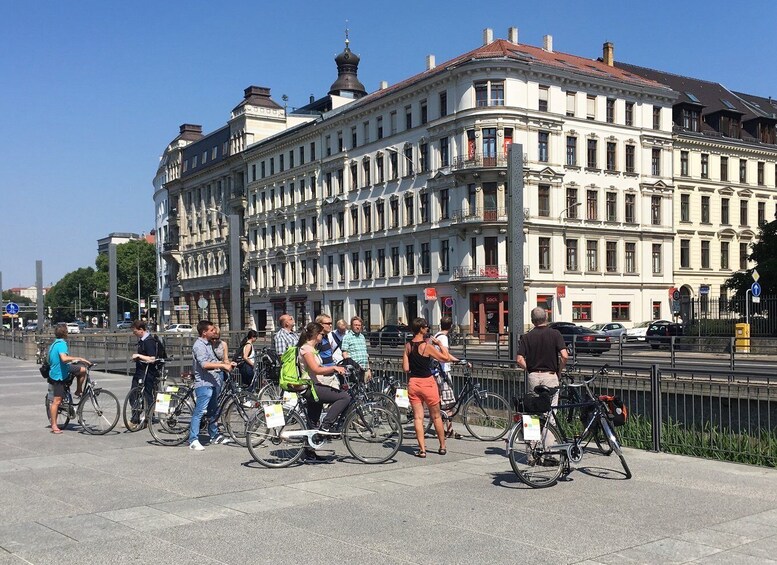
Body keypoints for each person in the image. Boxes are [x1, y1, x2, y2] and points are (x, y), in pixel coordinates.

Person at [402, 317, 455, 458]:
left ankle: (422, 450)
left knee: (418, 418)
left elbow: (406, 368)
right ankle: (442, 446)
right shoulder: (427, 346)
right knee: (436, 416)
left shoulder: (408, 346)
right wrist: (440, 345)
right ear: (421, 329)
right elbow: (445, 358)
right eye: (426, 327)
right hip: (428, 383)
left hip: (414, 383)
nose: (427, 329)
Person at [515, 306, 569, 437]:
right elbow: (565, 356)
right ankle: (548, 449)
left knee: (532, 412)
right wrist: (559, 371)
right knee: (550, 414)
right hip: (550, 376)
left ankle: (533, 451)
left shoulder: (527, 337)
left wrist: (529, 369)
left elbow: (519, 359)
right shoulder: (555, 334)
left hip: (533, 377)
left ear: (533, 321)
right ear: (546, 318)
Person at [189, 320, 235, 450]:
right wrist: (222, 365)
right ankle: (193, 440)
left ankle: (214, 435)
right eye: (211, 330)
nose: (214, 332)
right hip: (204, 383)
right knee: (199, 412)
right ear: (204, 332)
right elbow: (204, 364)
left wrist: (228, 364)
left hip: (213, 382)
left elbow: (214, 360)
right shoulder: (199, 346)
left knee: (213, 411)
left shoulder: (208, 344)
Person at [297, 322, 349, 433]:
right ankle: (326, 424)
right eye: (321, 334)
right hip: (311, 387)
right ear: (316, 334)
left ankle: (308, 448)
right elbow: (315, 369)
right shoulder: (307, 349)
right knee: (344, 397)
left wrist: (337, 367)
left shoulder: (311, 349)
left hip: (314, 385)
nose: (323, 336)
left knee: (313, 423)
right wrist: (333, 368)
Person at [47, 324, 91, 434]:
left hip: (62, 369)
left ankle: (78, 390)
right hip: (58, 375)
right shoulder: (62, 344)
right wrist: (79, 358)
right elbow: (64, 358)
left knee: (82, 370)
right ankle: (54, 425)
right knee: (57, 401)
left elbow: (50, 360)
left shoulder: (54, 344)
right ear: (65, 333)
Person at [433, 316, 460, 439]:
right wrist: (458, 361)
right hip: (443, 371)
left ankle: (448, 428)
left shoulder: (437, 335)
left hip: (437, 371)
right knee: (448, 402)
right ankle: (447, 430)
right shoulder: (443, 338)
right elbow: (446, 354)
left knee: (444, 401)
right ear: (450, 327)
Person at [130, 320, 159, 424]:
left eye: (135, 331)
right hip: (140, 370)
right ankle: (137, 416)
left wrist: (139, 356)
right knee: (134, 393)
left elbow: (152, 358)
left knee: (147, 394)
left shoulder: (149, 341)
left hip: (148, 371)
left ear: (141, 330)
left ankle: (149, 416)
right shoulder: (142, 340)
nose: (134, 334)